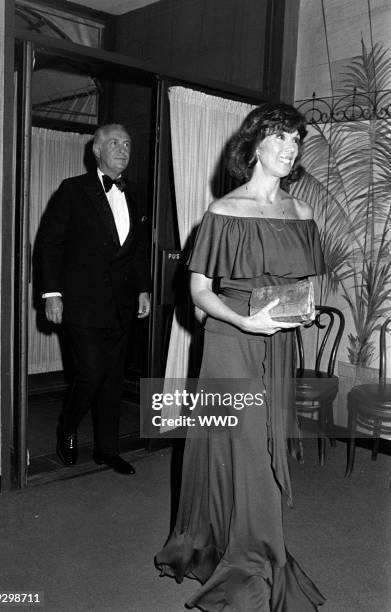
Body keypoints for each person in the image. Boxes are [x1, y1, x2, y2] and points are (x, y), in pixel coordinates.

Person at [155, 103, 326, 609]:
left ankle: (221, 540)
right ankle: (256, 563)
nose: (289, 148)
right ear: (253, 147)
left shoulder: (301, 212)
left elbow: (307, 279)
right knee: (249, 449)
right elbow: (200, 292)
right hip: (233, 341)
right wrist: (243, 321)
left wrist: (308, 309)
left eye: (296, 139)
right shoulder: (225, 211)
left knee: (265, 446)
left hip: (279, 341)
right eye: (279, 138)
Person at [39, 123, 151, 475]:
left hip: (120, 303)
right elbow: (49, 244)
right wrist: (51, 293)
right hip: (81, 303)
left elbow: (134, 252)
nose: (122, 149)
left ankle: (107, 448)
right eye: (114, 143)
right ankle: (67, 428)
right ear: (97, 151)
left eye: (127, 143)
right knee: (91, 373)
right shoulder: (73, 190)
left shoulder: (132, 193)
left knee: (113, 378)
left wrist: (143, 288)